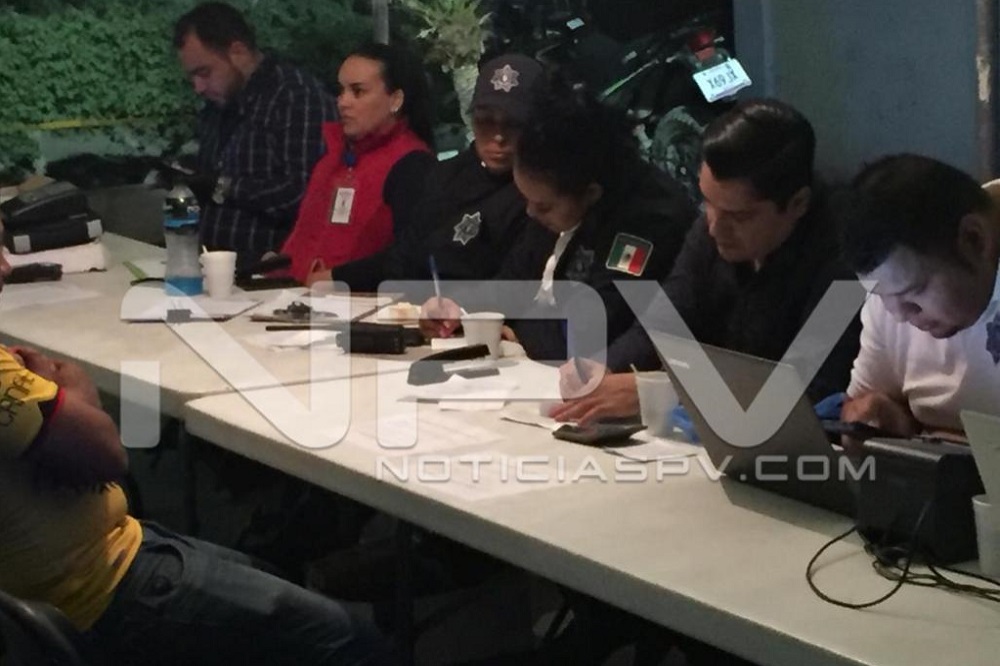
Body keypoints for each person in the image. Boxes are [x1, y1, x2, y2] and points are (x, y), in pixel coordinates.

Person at [0, 227, 384, 663]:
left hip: (98, 550)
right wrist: (73, 386)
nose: (6, 267)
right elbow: (107, 454)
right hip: (99, 589)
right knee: (347, 634)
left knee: (272, 574)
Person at [552, 98, 861, 424]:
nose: (714, 227)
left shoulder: (846, 254)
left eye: (739, 216)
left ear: (798, 203)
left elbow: (808, 388)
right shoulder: (713, 227)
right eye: (707, 201)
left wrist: (664, 392)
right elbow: (664, 325)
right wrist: (604, 369)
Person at [420, 83, 696, 361]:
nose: (530, 212)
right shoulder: (557, 197)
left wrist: (520, 333)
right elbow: (515, 278)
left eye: (543, 206)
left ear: (591, 194)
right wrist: (461, 311)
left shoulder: (649, 220)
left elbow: (597, 323)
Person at [307, 53, 544, 293]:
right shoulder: (446, 175)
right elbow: (404, 257)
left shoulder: (541, 194)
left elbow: (515, 286)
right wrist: (338, 279)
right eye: (486, 121)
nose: (498, 136)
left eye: (513, 124)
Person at [839, 154, 1000, 437]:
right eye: (880, 295)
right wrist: (874, 416)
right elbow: (859, 403)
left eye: (915, 292)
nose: (899, 315)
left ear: (974, 239)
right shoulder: (890, 294)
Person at [174, 2, 336, 270]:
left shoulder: (296, 97)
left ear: (238, 52)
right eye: (192, 77)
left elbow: (307, 194)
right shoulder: (220, 105)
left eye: (204, 72)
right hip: (213, 266)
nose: (198, 87)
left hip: (270, 273)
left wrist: (224, 186)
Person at [282, 41, 435, 284]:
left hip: (365, 302)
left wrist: (337, 279)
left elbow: (409, 257)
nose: (343, 102)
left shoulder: (413, 165)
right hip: (298, 296)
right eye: (341, 90)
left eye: (358, 91)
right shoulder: (332, 158)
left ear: (395, 100)